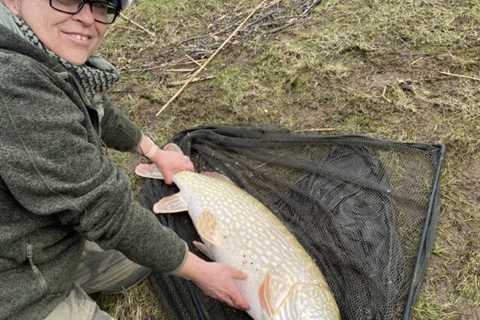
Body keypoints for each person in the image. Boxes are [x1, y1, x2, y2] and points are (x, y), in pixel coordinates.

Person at [0, 0, 250, 319]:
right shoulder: (13, 82)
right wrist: (202, 272)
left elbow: (95, 108)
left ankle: (60, 263)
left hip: (38, 238)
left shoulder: (38, 50)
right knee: (161, 253)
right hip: (12, 282)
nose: (88, 18)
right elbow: (104, 210)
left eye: (103, 4)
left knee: (141, 262)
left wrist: (156, 153)